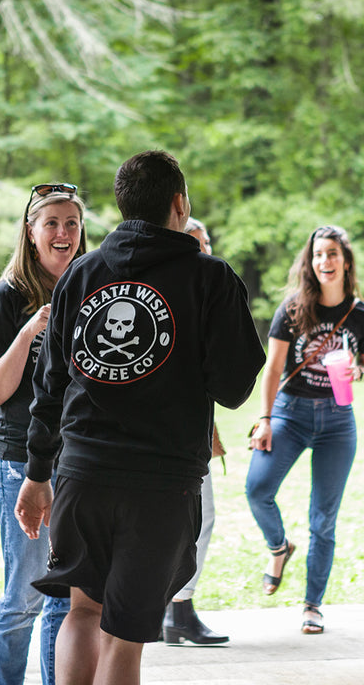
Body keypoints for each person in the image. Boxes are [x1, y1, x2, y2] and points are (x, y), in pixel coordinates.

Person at [14, 150, 265, 685]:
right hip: (160, 485)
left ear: (122, 206)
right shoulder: (211, 278)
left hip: (81, 477)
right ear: (180, 203)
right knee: (125, 640)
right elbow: (235, 387)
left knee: (83, 613)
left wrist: (38, 474)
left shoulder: (81, 275)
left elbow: (49, 387)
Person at [0, 183, 85, 685]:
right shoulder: (7, 297)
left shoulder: (91, 288)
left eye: (71, 223)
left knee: (66, 596)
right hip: (22, 461)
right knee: (24, 596)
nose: (62, 233)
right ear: (31, 231)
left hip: (81, 459)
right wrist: (29, 332)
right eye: (52, 223)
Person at [246, 225, 364, 635]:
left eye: (333, 254)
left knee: (323, 519)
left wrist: (358, 369)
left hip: (338, 420)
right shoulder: (293, 308)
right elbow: (273, 367)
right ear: (311, 261)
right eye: (319, 255)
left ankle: (313, 605)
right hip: (291, 413)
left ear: (346, 260)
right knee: (257, 488)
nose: (325, 261)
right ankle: (279, 547)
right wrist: (265, 418)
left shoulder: (363, 315)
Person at [162, 216, 229, 645]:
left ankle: (174, 611)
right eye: (193, 243)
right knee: (194, 519)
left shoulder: (201, 293)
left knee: (196, 520)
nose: (202, 251)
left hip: (191, 429)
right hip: (170, 435)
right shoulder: (178, 296)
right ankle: (176, 611)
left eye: (205, 243)